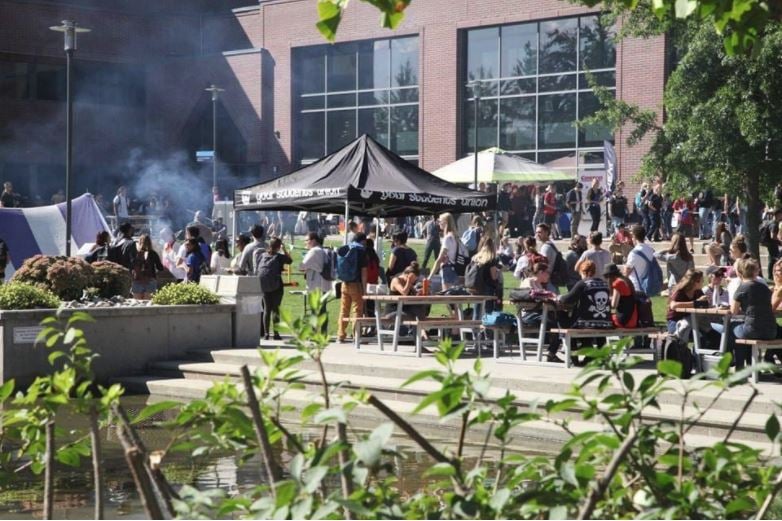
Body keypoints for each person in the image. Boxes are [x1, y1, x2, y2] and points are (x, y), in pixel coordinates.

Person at [557, 260, 613, 364]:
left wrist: (558, 297)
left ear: (583, 272)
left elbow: (568, 299)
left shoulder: (583, 283)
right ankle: (590, 355)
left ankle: (573, 355)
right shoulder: (604, 284)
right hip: (605, 322)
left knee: (564, 320)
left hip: (586, 322)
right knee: (581, 323)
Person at [727, 257, 777, 371]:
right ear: (756, 272)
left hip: (752, 329)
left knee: (732, 328)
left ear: (739, 273)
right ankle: (749, 366)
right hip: (770, 331)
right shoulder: (765, 287)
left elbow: (733, 312)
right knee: (741, 331)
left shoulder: (742, 288)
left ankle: (737, 365)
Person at [257, 238, 293, 341]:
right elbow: (290, 261)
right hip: (276, 285)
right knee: (275, 309)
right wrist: (284, 249)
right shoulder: (279, 257)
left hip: (264, 285)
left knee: (266, 310)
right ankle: (276, 333)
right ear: (278, 246)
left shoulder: (263, 255)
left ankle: (267, 334)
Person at [337, 232, 368, 343]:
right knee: (357, 310)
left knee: (344, 310)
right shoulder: (361, 252)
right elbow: (364, 272)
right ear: (363, 241)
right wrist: (365, 289)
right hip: (356, 284)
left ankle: (341, 334)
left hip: (344, 283)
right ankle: (356, 335)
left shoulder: (345, 248)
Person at [430, 213, 465, 290]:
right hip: (456, 270)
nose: (438, 223)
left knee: (449, 298)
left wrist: (430, 277)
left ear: (445, 222)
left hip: (448, 270)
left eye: (440, 221)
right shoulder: (455, 237)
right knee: (455, 299)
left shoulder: (447, 238)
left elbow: (439, 259)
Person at [666, 269, 706, 334]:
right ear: (695, 282)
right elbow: (673, 305)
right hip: (675, 323)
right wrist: (696, 303)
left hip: (692, 322)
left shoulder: (698, 292)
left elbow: (703, 304)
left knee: (713, 335)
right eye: (702, 280)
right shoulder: (680, 292)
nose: (703, 282)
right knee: (700, 336)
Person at [468, 236, 502, 313]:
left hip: (476, 287)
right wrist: (498, 272)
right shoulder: (491, 258)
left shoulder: (475, 257)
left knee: (477, 310)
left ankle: (475, 324)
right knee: (488, 310)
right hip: (487, 288)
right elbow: (493, 277)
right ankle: (487, 323)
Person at [624, 225, 657, 292]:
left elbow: (627, 271)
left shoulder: (633, 253)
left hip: (636, 286)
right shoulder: (651, 250)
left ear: (634, 236)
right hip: (649, 285)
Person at [603, 263, 637, 328]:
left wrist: (611, 314)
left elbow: (614, 305)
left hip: (623, 320)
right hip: (633, 319)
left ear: (609, 276)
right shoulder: (626, 280)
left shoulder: (618, 283)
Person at [131, 234, 165, 299]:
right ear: (150, 242)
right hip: (150, 280)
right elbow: (160, 268)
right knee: (148, 304)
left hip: (137, 280)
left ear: (139, 242)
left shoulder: (135, 254)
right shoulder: (153, 253)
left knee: (137, 303)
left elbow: (131, 266)